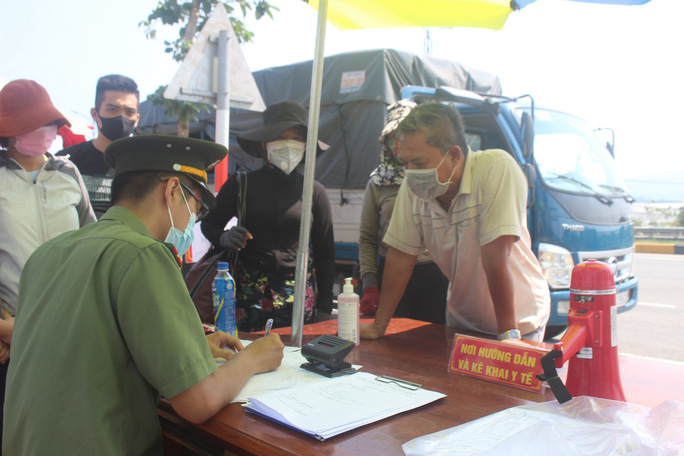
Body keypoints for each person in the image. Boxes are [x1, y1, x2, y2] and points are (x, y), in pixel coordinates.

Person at [3, 135, 285, 455]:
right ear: (173, 189)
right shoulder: (143, 253)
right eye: (197, 208)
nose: (192, 220)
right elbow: (198, 401)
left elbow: (84, 347)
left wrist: (189, 347)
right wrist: (253, 358)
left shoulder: (49, 252)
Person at [361, 102, 550, 342]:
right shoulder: (413, 189)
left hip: (519, 324)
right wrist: (379, 326)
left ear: (454, 155)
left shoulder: (496, 168)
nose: (411, 173)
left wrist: (508, 338)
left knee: (503, 380)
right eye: (405, 164)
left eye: (419, 164)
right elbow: (401, 255)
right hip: (463, 321)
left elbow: (495, 258)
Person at [0, 79, 96, 446]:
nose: (41, 133)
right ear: (8, 133)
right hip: (12, 336)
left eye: (46, 125)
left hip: (72, 330)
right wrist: (4, 327)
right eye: (27, 127)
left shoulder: (68, 174)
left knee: (64, 435)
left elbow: (91, 243)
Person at [201, 101, 335, 332]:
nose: (289, 145)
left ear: (305, 146)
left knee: (295, 360)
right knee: (245, 355)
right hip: (247, 292)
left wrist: (323, 309)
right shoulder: (240, 184)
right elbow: (209, 224)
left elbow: (325, 254)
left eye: (297, 138)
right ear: (265, 144)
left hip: (299, 294)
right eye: (281, 136)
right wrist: (224, 237)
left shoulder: (314, 191)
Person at [358, 100, 448, 323]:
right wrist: (370, 285)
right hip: (390, 273)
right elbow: (368, 238)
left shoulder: (434, 175)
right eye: (393, 137)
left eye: (404, 136)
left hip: (432, 273)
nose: (398, 143)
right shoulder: (378, 183)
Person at [58, 74, 140, 218]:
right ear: (95, 114)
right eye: (112, 110)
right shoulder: (67, 162)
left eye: (129, 112)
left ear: (137, 119)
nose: (122, 118)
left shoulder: (145, 166)